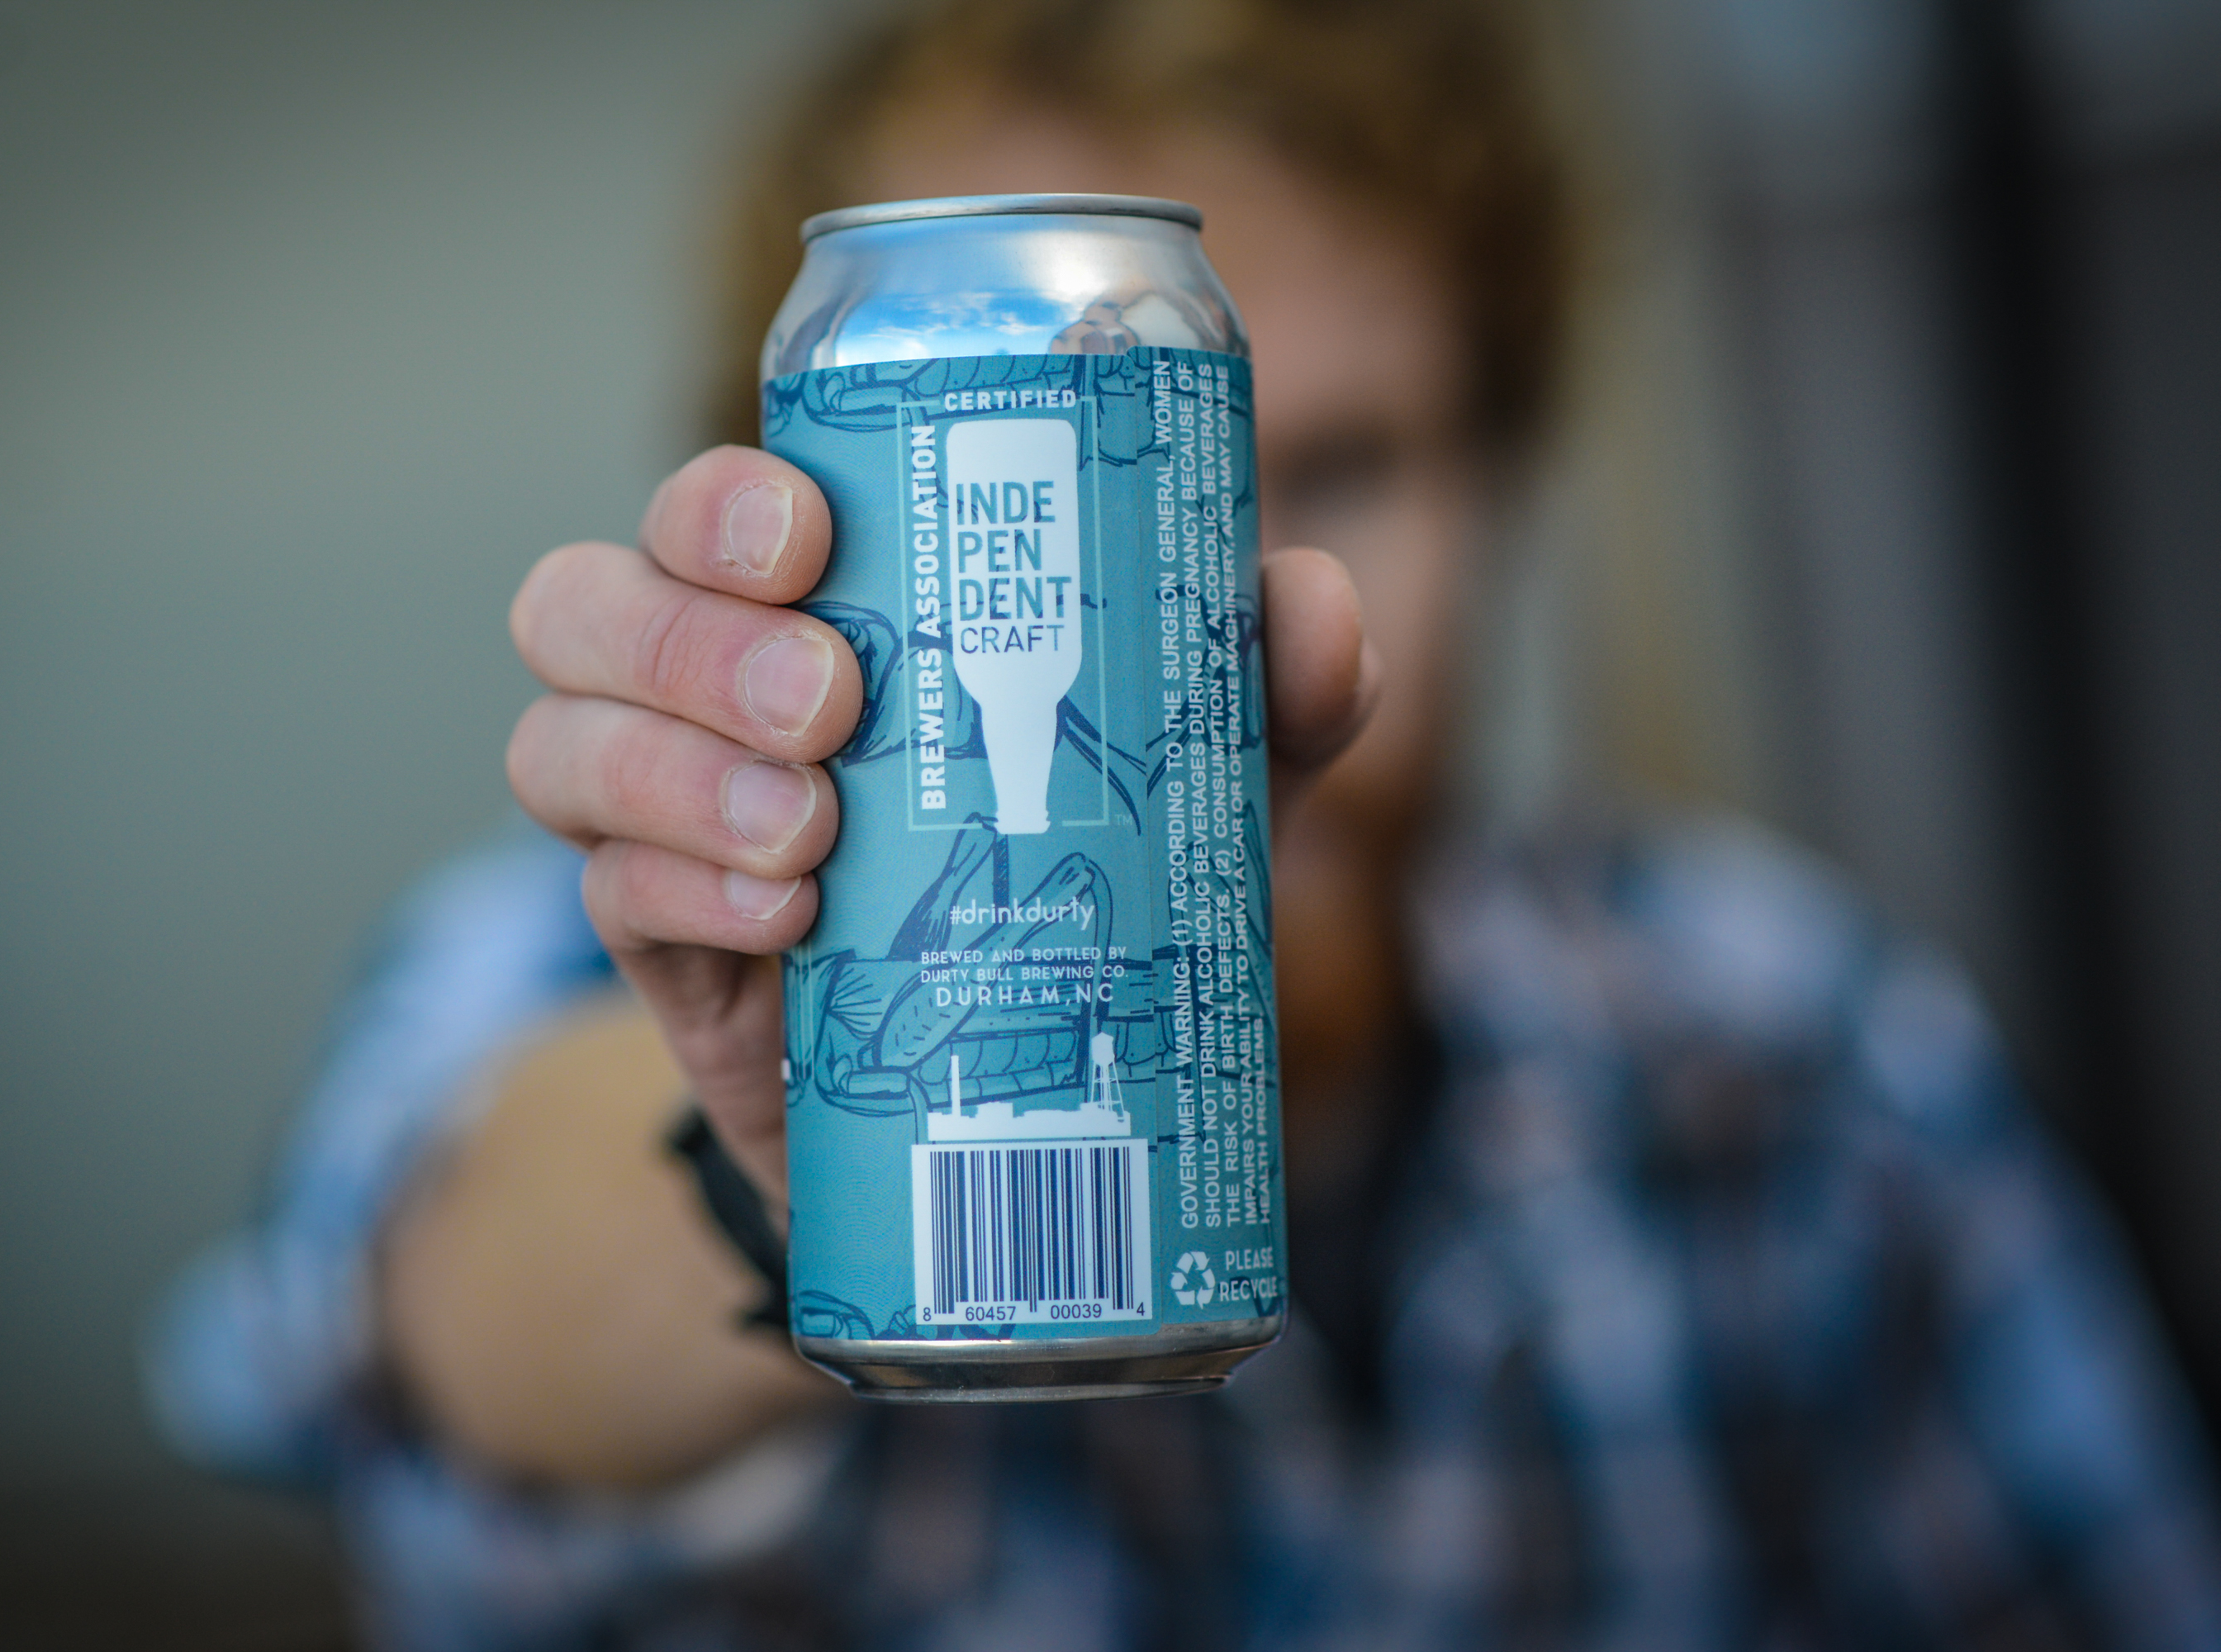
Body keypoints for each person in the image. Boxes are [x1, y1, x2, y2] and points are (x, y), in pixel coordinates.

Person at [149, 1, 2221, 1647]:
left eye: (1348, 463)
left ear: (1506, 489)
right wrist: (791, 1168)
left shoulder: (1799, 1060)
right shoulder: (592, 944)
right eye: (1084, 463)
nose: (1204, 604)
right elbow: (422, 1307)